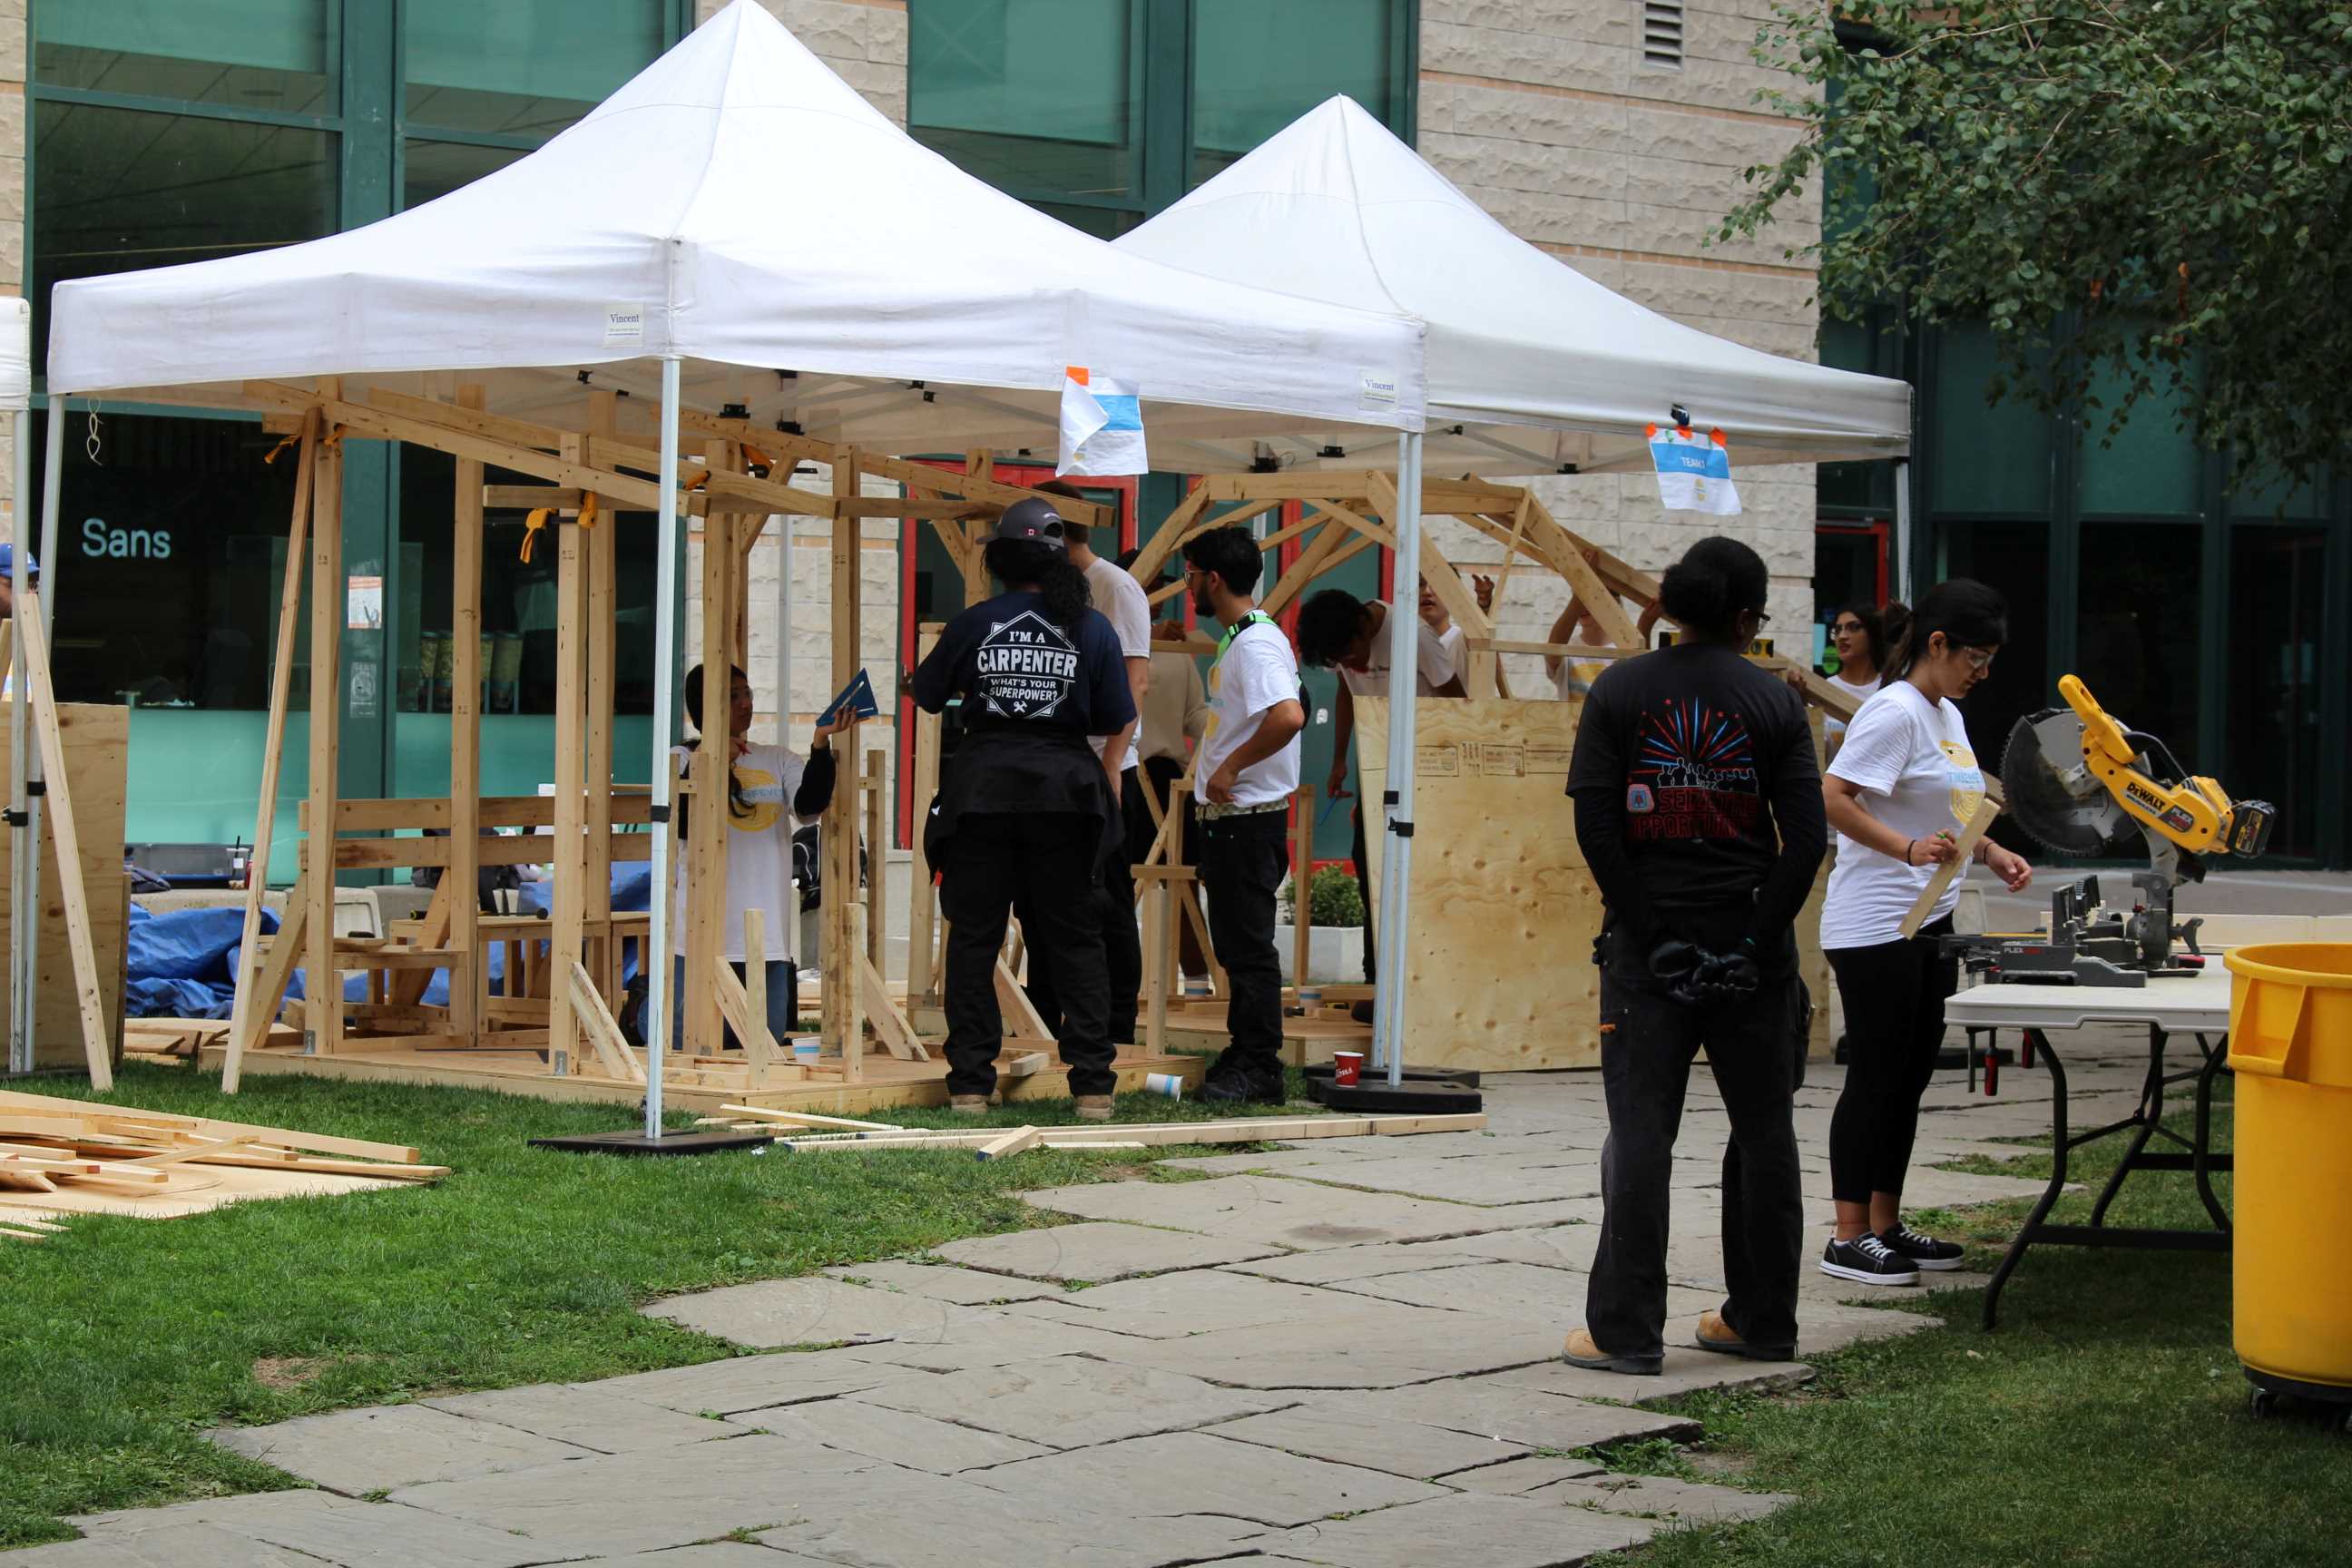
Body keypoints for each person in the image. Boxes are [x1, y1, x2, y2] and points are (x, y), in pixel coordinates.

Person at [1562, 536, 1827, 1375]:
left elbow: (1599, 827)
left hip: (1649, 954)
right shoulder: (1776, 702)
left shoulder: (1619, 690)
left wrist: (1652, 930)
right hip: (1754, 948)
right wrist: (1753, 941)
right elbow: (1805, 840)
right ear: (1748, 617)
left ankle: (1627, 1333)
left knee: (1640, 1135)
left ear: (1673, 607)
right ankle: (1763, 1320)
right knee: (1764, 1133)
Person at [1818, 579, 2033, 1285]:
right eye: (1976, 655)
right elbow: (1835, 795)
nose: (1984, 671)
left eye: (1991, 657)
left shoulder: (1945, 714)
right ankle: (1848, 1236)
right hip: (1875, 926)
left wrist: (1992, 851)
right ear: (1936, 644)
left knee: (1907, 1079)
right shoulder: (1895, 711)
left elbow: (1958, 804)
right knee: (1876, 1078)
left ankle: (1885, 1224)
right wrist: (1905, 850)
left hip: (1927, 923)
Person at [912, 498, 1136, 1120]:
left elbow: (927, 693)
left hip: (983, 798)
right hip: (1066, 799)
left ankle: (969, 1086)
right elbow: (1117, 714)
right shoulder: (1090, 628)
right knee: (1075, 941)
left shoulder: (976, 622)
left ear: (1003, 560)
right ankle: (1093, 1085)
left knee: (975, 941)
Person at [1018, 484, 1152, 1045]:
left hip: (1102, 767)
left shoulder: (1115, 588)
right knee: (1047, 898)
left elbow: (1134, 679)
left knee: (1108, 901)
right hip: (1058, 769)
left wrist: (1113, 764)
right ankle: (1047, 1014)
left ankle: (1115, 1024)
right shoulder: (1045, 590)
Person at [1296, 583, 1468, 1016]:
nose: (1351, 665)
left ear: (1362, 626)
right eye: (1339, 662)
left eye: (1350, 656)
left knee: (1417, 879)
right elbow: (1345, 696)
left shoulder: (1413, 635)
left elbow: (1456, 701)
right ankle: (1377, 984)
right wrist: (1339, 760)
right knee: (1370, 873)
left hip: (1424, 773)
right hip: (1375, 769)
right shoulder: (1344, 650)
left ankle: (1424, 986)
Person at [670, 663, 854, 1050]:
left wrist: (821, 742)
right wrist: (716, 758)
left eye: (747, 693)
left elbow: (809, 805)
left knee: (766, 1039)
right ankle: (641, 1013)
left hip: (766, 929)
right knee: (696, 1039)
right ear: (704, 706)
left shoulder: (777, 758)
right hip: (703, 926)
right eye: (732, 696)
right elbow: (684, 824)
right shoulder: (682, 759)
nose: (745, 703)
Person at [1185, 525, 1306, 1105]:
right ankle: (1246, 1050)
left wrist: (1230, 767)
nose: (1187, 587)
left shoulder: (1256, 644)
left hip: (1246, 820)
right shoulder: (1246, 639)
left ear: (1212, 578)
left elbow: (1288, 716)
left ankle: (1260, 1066)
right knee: (1236, 947)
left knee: (1249, 949)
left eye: (1189, 575)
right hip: (1233, 822)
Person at [1123, 549, 1213, 979]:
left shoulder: (1176, 646)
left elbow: (1196, 714)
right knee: (1121, 880)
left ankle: (1195, 981)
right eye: (1147, 584)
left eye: (1162, 585)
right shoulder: (1110, 638)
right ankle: (1118, 982)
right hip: (1124, 771)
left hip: (1169, 774)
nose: (1155, 594)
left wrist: (1226, 732)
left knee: (1184, 881)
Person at [1818, 601, 1902, 754]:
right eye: (1837, 630)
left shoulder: (1892, 689)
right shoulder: (1823, 689)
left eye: (1854, 627)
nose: (1842, 636)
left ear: (1872, 633)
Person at [1547, 593, 1664, 701]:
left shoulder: (1626, 649)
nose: (1583, 605)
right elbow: (1552, 653)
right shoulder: (1568, 648)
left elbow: (1643, 685)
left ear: (1613, 603)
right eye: (1579, 598)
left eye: (1593, 597)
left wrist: (1644, 628)